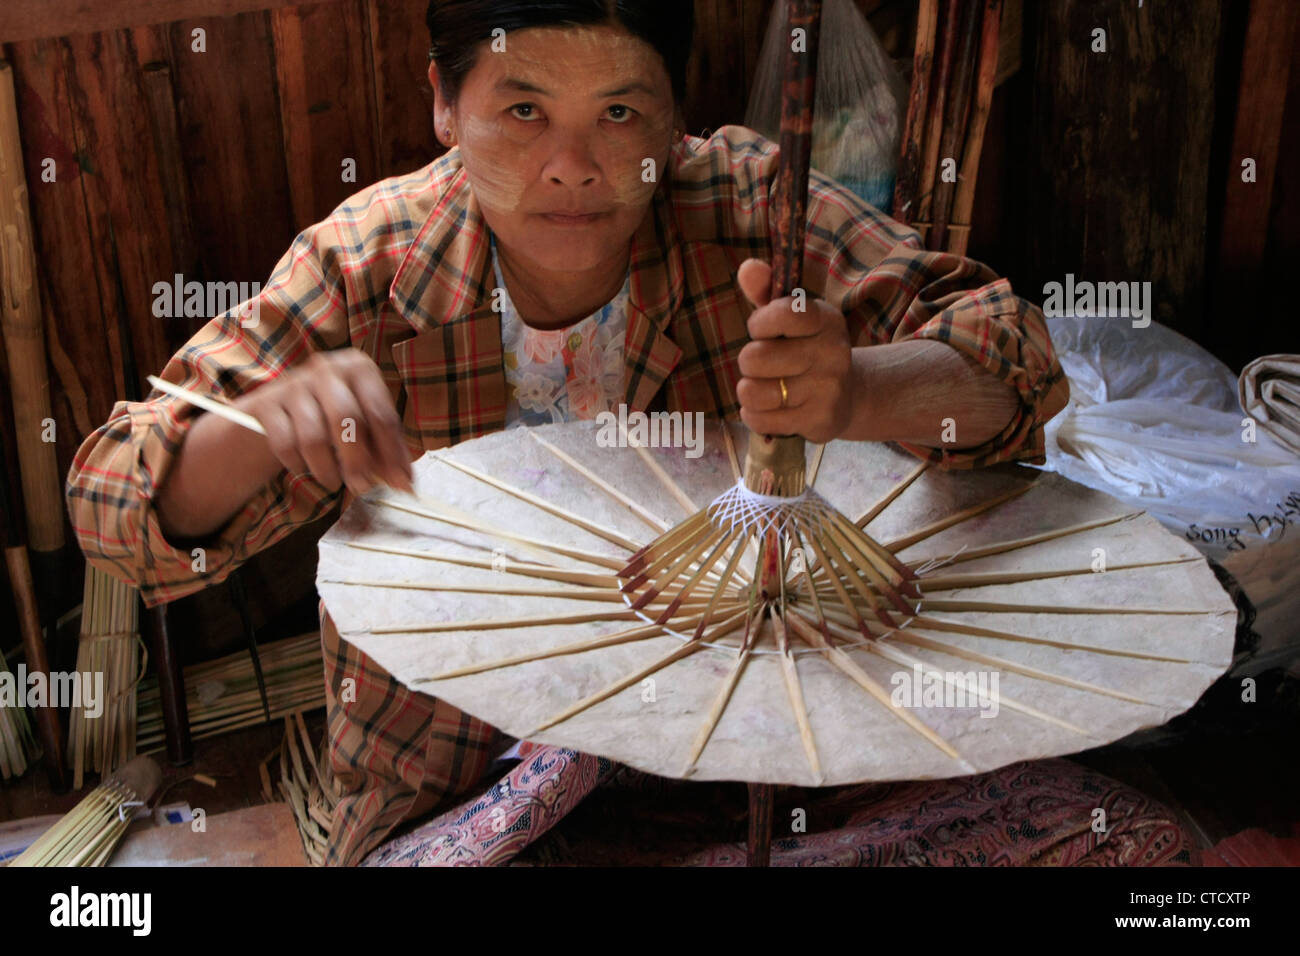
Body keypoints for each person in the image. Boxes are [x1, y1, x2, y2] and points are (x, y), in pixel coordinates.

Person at [66, 0, 1069, 866]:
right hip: (465, 784)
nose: (572, 167)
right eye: (522, 110)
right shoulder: (367, 271)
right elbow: (113, 505)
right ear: (443, 103)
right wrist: (258, 431)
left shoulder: (751, 211)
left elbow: (1011, 359)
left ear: (675, 116)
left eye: (620, 112)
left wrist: (857, 391)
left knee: (1076, 823)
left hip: (741, 744)